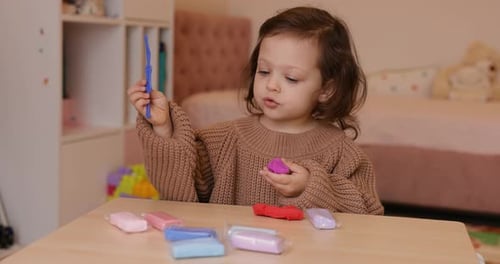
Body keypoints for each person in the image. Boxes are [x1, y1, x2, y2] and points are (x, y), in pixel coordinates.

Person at [128, 6, 384, 215]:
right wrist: (163, 128)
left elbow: (368, 214)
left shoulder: (342, 152)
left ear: (326, 89)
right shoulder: (224, 140)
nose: (271, 85)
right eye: (263, 71)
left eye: (291, 78)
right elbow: (178, 192)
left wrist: (311, 186)